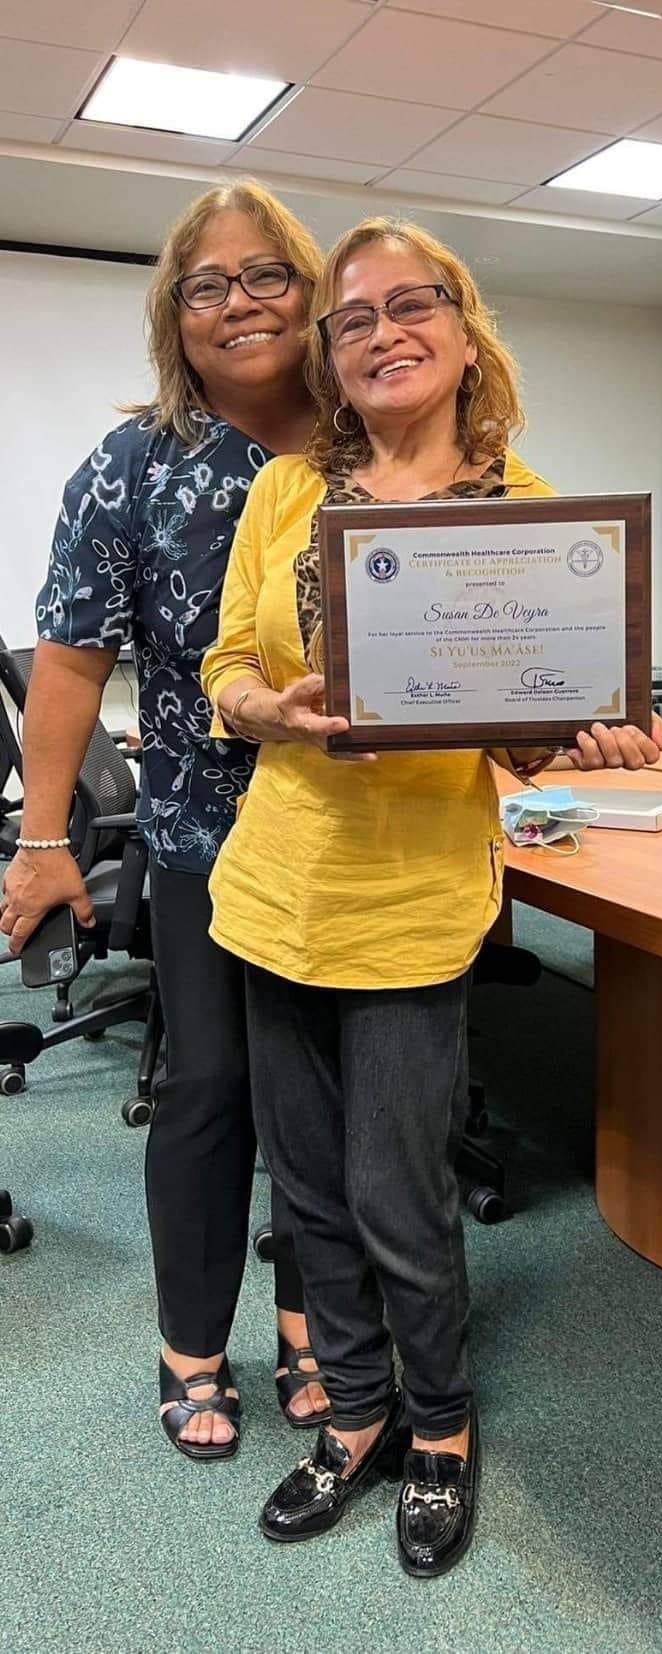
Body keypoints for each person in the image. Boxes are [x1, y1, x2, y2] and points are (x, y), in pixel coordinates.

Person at [201, 215, 662, 1576]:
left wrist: (588, 734)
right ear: (332, 358)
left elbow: (523, 742)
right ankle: (355, 1413)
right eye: (352, 318)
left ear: (466, 332)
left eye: (414, 306)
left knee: (396, 1190)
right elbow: (229, 667)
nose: (383, 332)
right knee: (307, 1190)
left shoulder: (536, 522)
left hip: (409, 907)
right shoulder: (285, 492)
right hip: (276, 891)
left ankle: (442, 1426)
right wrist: (271, 712)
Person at [0, 181, 332, 1459]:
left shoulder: (375, 444)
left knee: (333, 1092)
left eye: (267, 277)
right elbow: (73, 659)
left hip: (359, 838)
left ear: (309, 294)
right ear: (174, 315)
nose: (239, 304)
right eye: (208, 285)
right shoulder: (135, 466)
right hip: (207, 833)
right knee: (211, 1086)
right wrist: (41, 840)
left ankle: (316, 1323)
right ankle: (193, 1345)